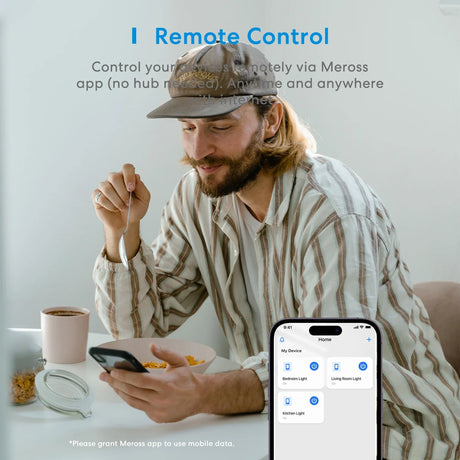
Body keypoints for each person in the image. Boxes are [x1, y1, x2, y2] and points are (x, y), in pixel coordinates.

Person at [92, 42, 460, 458]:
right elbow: (140, 332)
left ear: (271, 120)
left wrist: (201, 394)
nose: (198, 152)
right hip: (275, 412)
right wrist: (123, 232)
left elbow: (326, 368)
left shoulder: (333, 211)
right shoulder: (198, 195)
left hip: (389, 424)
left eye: (220, 127)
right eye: (188, 127)